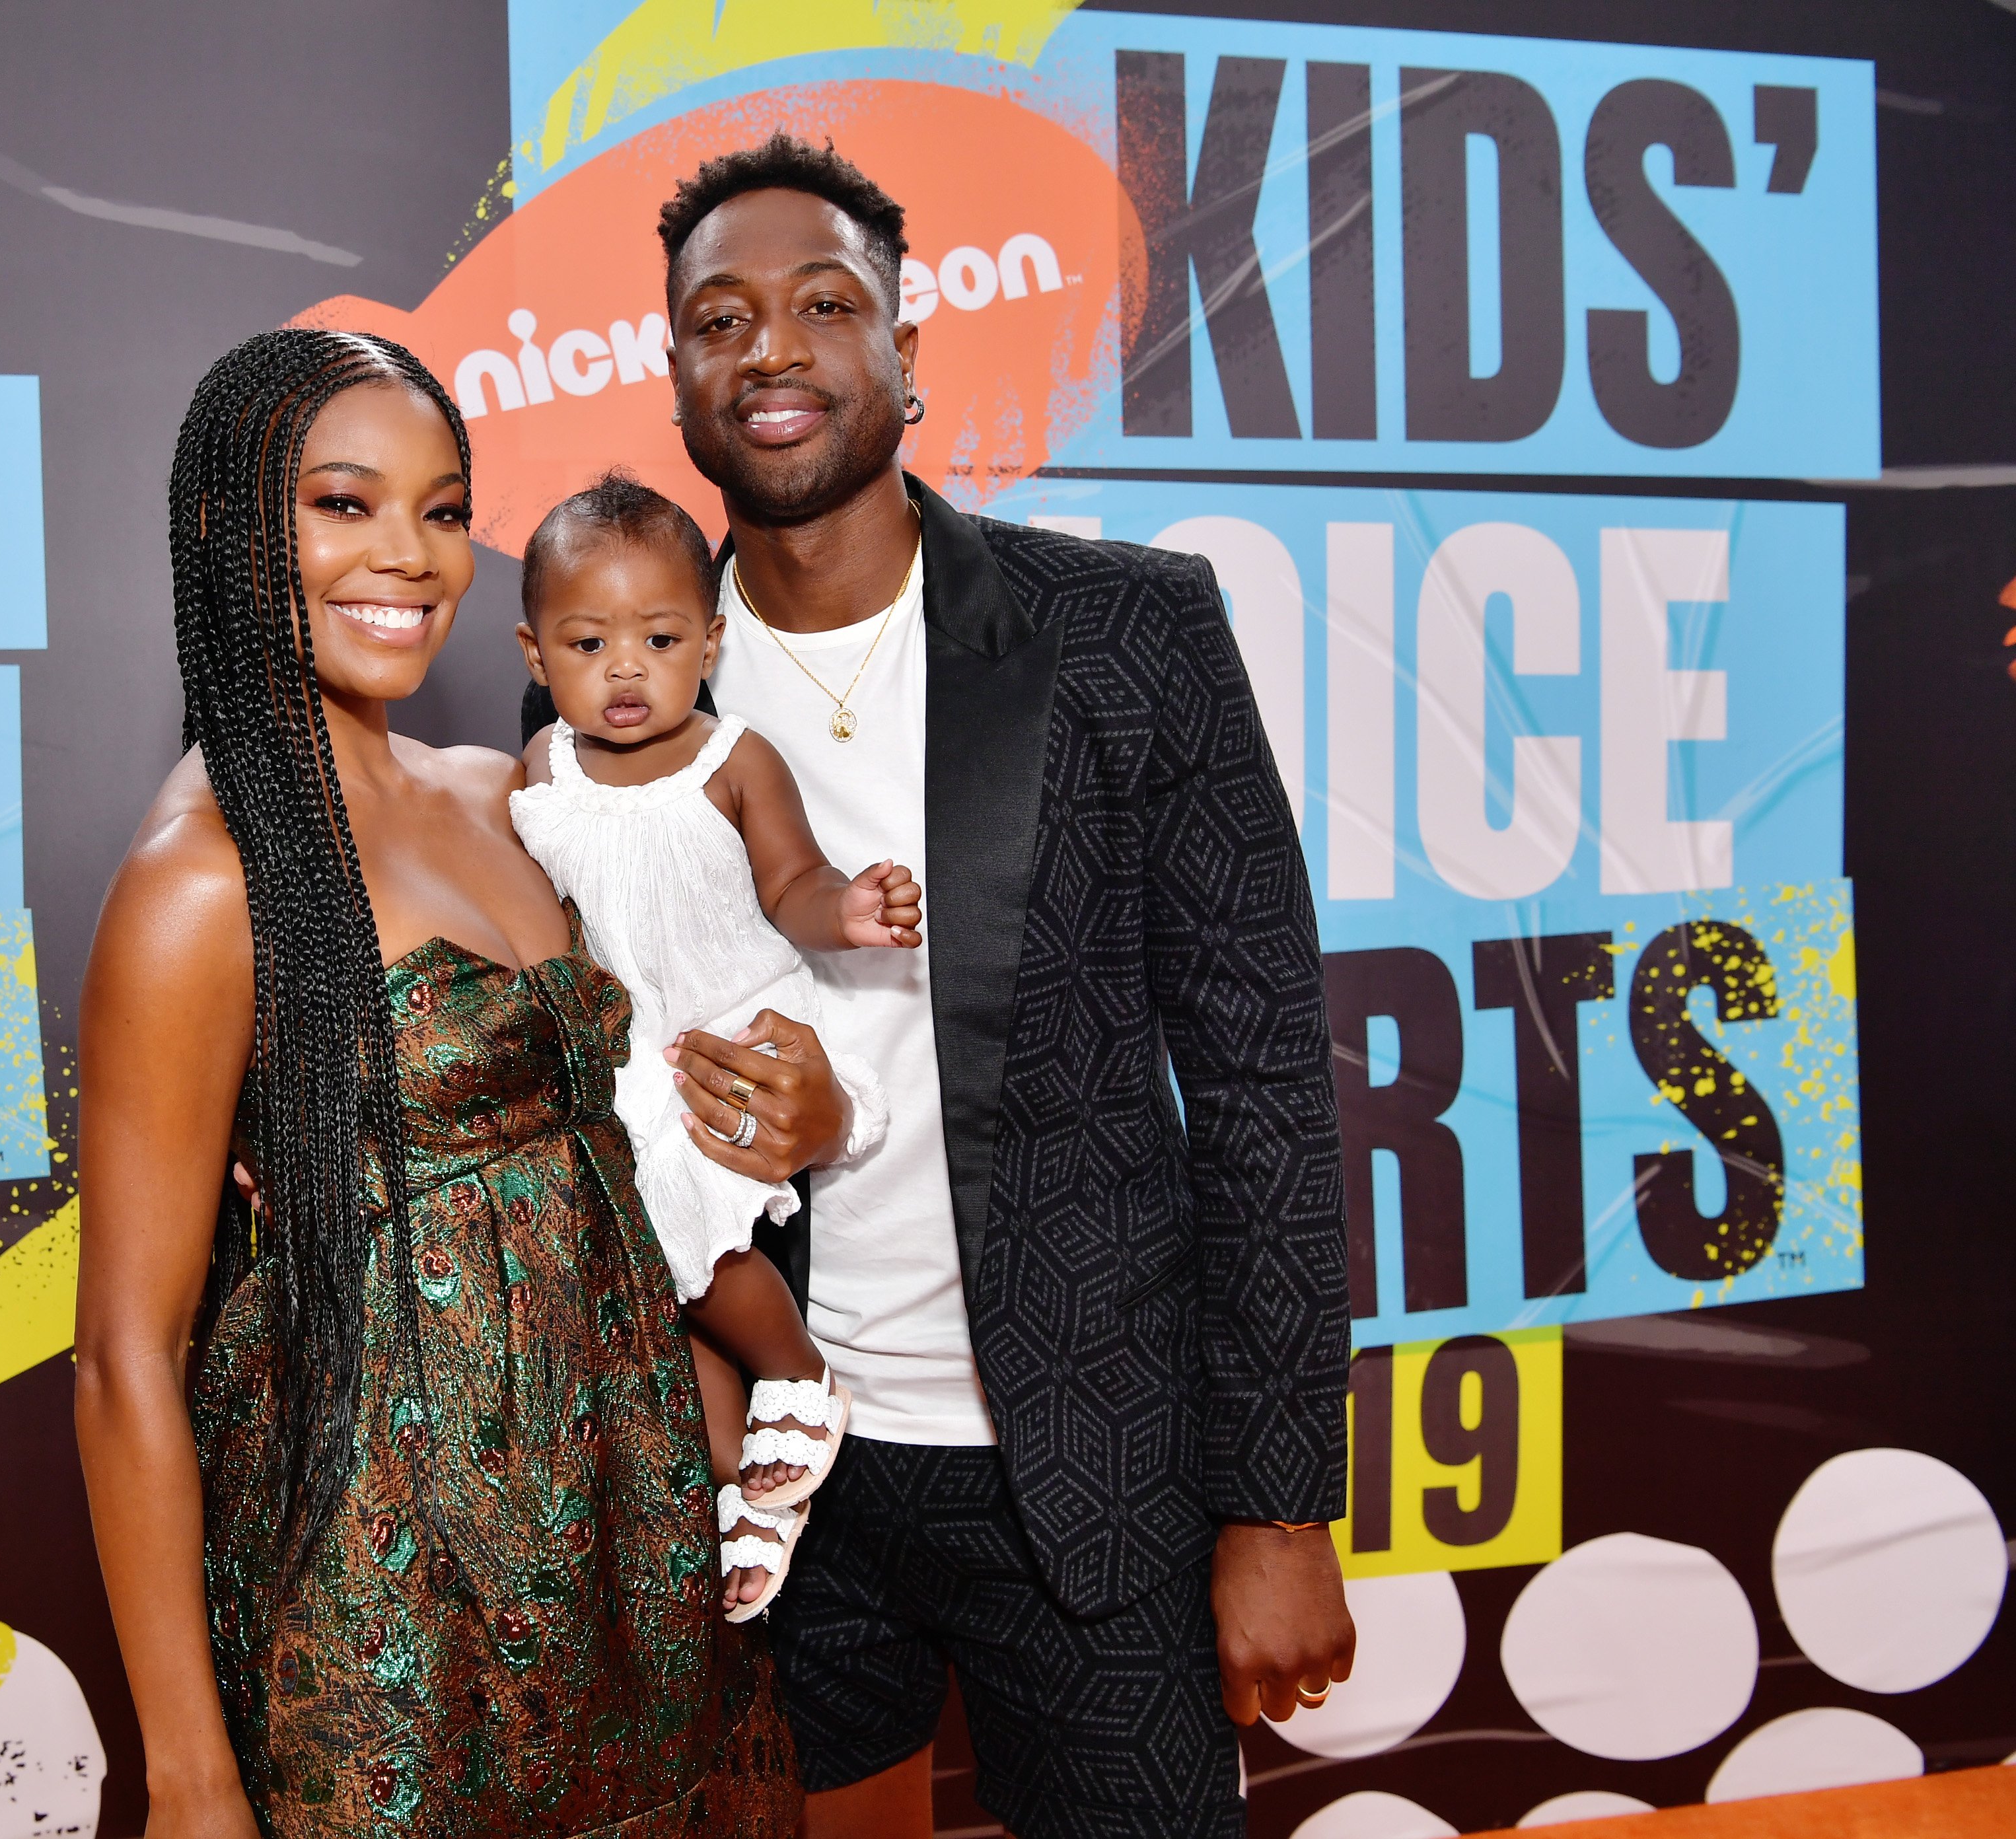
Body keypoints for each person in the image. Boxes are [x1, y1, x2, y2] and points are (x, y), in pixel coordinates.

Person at [524, 138, 1357, 1838]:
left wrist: (1279, 1504)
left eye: (827, 305)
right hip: (777, 1473)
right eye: (720, 318)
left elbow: (1265, 1077)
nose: (772, 349)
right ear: (672, 372)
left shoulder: (1130, 629)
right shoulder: (611, 678)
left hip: (1099, 1473)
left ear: (911, 351)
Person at [73, 328, 804, 1838]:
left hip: (623, 1532)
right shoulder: (206, 881)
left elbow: (653, 1073)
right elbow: (121, 1360)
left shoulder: (503, 789)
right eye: (345, 504)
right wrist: (190, 1778)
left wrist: (806, 1113)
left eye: (445, 507)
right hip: (384, 1596)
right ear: (228, 527)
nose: (408, 556)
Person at [507, 470, 925, 1621]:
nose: (627, 667)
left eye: (660, 637)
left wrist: (847, 911)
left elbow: (791, 880)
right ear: (538, 656)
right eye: (591, 642)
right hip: (623, 1052)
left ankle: (797, 1370)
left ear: (712, 641)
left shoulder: (732, 758)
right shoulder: (541, 775)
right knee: (631, 1269)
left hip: (729, 1035)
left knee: (684, 1196)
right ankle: (745, 1486)